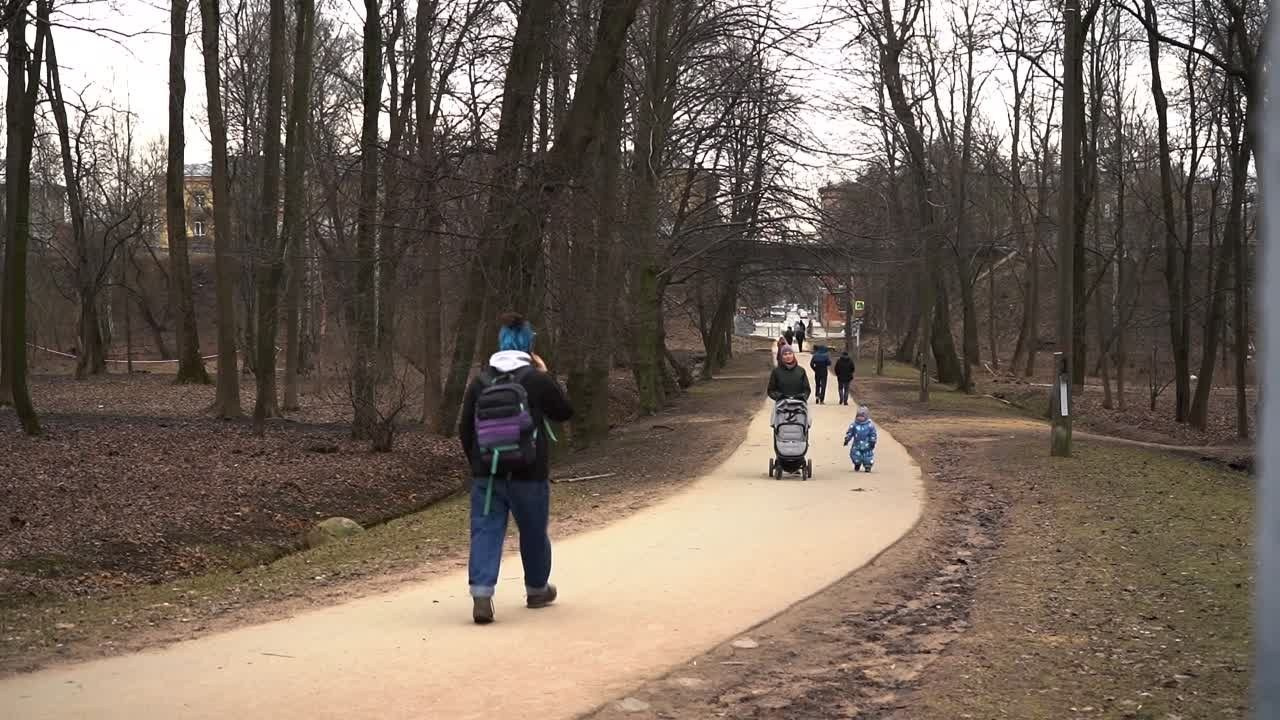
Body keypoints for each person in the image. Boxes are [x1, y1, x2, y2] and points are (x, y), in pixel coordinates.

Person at [459, 312, 574, 624]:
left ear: (500, 344)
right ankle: (537, 589)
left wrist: (479, 466)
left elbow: (465, 430)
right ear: (528, 345)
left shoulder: (479, 382)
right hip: (529, 472)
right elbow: (564, 412)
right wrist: (547, 374)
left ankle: (482, 594)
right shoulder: (535, 380)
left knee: (485, 530)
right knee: (534, 531)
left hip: (487, 475)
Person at [843, 406, 878, 473]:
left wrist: (873, 441)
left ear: (866, 416)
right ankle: (857, 463)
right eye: (858, 416)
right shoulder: (854, 425)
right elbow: (850, 432)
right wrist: (847, 439)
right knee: (855, 454)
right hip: (856, 444)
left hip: (867, 445)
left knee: (867, 456)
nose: (860, 418)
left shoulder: (870, 426)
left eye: (862, 416)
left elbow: (873, 434)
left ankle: (868, 466)